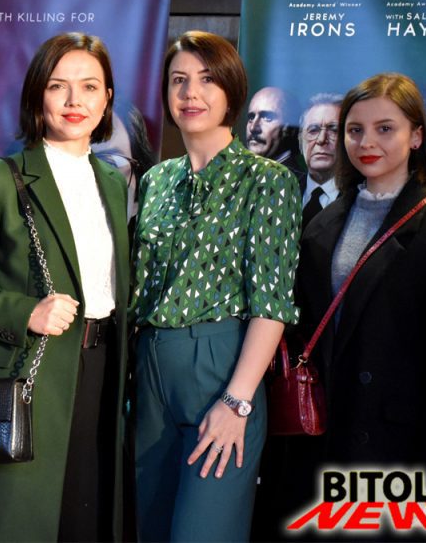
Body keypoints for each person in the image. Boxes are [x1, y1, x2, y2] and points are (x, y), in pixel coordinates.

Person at [0, 32, 129, 542]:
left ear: (107, 98)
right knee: (14, 525)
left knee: (83, 523)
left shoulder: (113, 182)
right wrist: (25, 311)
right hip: (26, 374)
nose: (74, 100)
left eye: (90, 87)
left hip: (100, 374)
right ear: (37, 94)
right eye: (58, 86)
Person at [132, 30, 302, 542]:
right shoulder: (157, 180)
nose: (191, 93)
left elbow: (272, 304)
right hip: (149, 369)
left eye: (207, 80)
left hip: (222, 369)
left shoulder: (268, 180)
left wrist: (237, 402)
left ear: (231, 91)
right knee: (149, 531)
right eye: (178, 80)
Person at [294, 73, 426, 528]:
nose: (366, 143)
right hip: (323, 435)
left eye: (385, 128)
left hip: (398, 447)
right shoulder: (320, 224)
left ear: (416, 136)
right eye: (355, 130)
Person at [298, 93, 343, 228]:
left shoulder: (361, 199)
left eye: (333, 130)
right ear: (300, 141)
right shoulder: (284, 190)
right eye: (313, 130)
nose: (322, 139)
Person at [245, 86, 303, 177]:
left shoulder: (298, 183)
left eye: (267, 117)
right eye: (251, 118)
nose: (253, 128)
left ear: (289, 129)